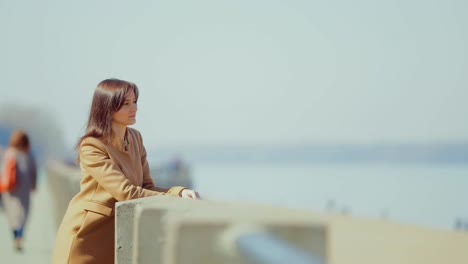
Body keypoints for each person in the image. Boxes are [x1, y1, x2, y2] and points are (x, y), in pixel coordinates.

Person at [52, 78, 199, 263]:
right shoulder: (92, 146)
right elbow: (127, 192)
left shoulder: (135, 138)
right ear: (107, 107)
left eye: (135, 102)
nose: (134, 108)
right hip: (87, 237)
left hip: (115, 238)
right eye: (126, 104)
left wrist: (179, 191)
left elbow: (147, 187)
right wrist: (171, 195)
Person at [0, 129, 37, 252]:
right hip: (24, 188)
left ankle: (16, 235)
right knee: (23, 212)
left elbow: (3, 170)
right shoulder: (28, 154)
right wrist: (33, 184)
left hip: (9, 188)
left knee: (12, 213)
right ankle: (19, 236)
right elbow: (33, 170)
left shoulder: (9, 152)